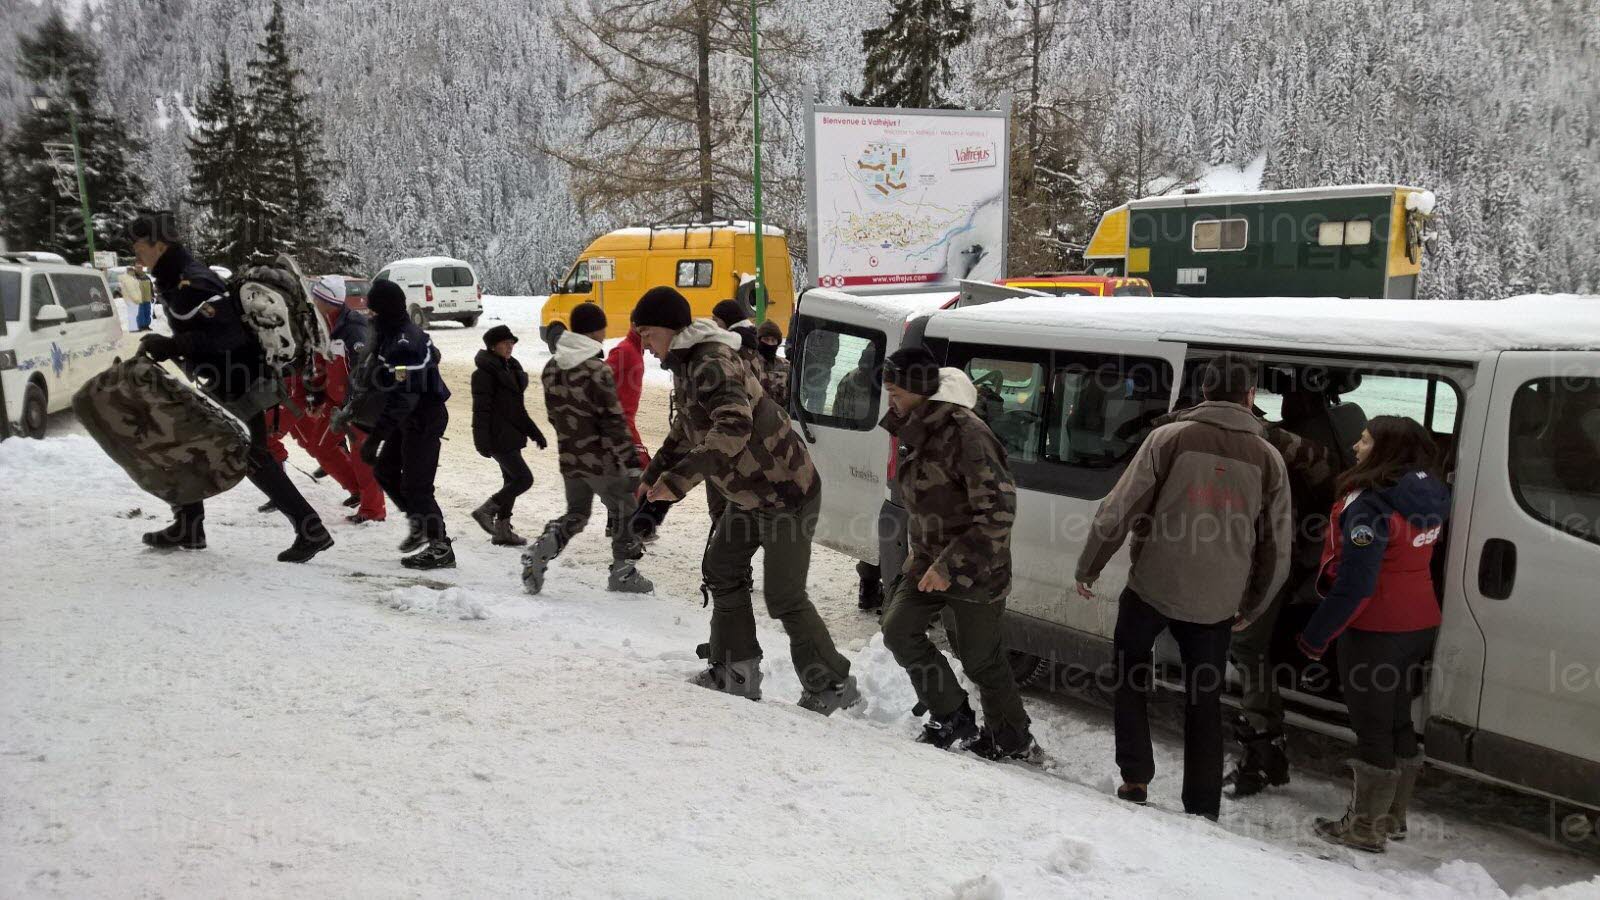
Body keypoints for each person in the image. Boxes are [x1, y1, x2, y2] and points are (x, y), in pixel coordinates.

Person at [1073, 353, 1292, 820]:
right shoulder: (1269, 458)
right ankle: (1202, 805)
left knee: (1131, 676)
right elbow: (1278, 542)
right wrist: (1253, 604)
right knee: (1204, 701)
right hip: (1218, 602)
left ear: (1204, 392)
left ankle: (1135, 777)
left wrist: (1090, 565)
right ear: (1251, 397)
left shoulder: (1167, 438)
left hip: (1152, 585)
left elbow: (1120, 509)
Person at [633, 286, 857, 715]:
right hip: (750, 494)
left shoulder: (711, 362)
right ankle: (737, 671)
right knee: (721, 568)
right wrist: (652, 475)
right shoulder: (687, 362)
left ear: (669, 327)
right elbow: (687, 430)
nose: (644, 344)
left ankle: (833, 684)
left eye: (646, 332)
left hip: (786, 492)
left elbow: (732, 429)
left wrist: (675, 483)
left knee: (785, 597)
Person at [127, 211, 334, 563]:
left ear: (158, 246)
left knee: (253, 457)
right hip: (225, 378)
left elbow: (227, 335)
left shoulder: (192, 280)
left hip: (241, 380)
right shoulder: (174, 276)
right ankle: (189, 524)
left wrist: (173, 346)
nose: (136, 257)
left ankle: (310, 529)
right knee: (187, 446)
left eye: (139, 249)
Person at [1298, 416, 1448, 853]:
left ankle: (1363, 828)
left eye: (1365, 440)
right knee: (1398, 717)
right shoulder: (1431, 493)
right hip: (1420, 622)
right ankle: (1392, 818)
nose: (1357, 447)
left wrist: (1315, 636)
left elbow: (1356, 583)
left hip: (1376, 628)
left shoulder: (1368, 505)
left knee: (1372, 729)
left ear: (1384, 450)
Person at [878, 348, 1035, 759]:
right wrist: (925, 557)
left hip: (976, 568)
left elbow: (998, 514)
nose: (889, 399)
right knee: (898, 629)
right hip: (928, 561)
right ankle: (953, 716)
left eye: (894, 391)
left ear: (917, 390)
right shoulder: (916, 427)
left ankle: (1013, 740)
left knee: (982, 661)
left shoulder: (969, 435)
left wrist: (950, 565)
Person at [1225, 392, 1338, 797]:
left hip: (1257, 566)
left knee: (1248, 652)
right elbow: (1324, 465)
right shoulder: (1274, 439)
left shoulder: (1260, 438)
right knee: (1249, 653)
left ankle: (1261, 753)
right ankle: (1263, 750)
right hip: (1269, 560)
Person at [522, 302, 653, 594]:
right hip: (602, 459)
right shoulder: (597, 369)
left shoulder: (552, 367)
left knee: (577, 513)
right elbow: (613, 420)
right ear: (596, 331)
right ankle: (623, 573)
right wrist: (631, 459)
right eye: (603, 330)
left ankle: (543, 548)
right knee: (626, 509)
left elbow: (554, 416)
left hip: (570, 457)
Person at [263, 276, 387, 524]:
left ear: (327, 300)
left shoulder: (353, 329)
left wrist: (352, 404)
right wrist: (316, 392)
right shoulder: (321, 324)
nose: (312, 301)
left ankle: (374, 511)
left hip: (359, 404)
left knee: (362, 455)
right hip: (335, 400)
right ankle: (356, 490)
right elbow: (319, 362)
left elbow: (363, 371)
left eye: (316, 298)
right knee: (320, 446)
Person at [362, 278, 454, 569]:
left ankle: (440, 546)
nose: (369, 316)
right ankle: (420, 524)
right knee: (386, 471)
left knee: (417, 486)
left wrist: (376, 437)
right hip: (408, 418)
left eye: (373, 311)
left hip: (423, 417)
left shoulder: (404, 341)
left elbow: (405, 397)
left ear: (384, 310)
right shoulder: (389, 334)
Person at [470, 324, 549, 546]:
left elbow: (517, 411)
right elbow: (481, 411)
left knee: (511, 481)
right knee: (524, 479)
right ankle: (486, 510)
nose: (510, 347)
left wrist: (534, 433)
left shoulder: (509, 370)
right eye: (505, 343)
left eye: (512, 343)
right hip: (497, 437)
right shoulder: (484, 374)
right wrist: (481, 441)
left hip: (510, 436)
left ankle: (502, 531)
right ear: (493, 346)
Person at [833, 344, 886, 611]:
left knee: (872, 529)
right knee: (884, 529)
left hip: (861, 465)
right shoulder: (888, 385)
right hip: (878, 464)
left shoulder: (850, 380)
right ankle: (876, 589)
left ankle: (868, 588)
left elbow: (838, 420)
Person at [712, 298, 764, 379]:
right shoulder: (748, 339)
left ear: (727, 320)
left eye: (716, 320)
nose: (714, 324)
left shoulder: (735, 345)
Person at [756, 319, 790, 409]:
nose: (769, 344)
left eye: (773, 340)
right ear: (759, 340)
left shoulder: (786, 366)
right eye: (766, 339)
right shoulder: (751, 363)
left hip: (779, 417)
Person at [119, 264, 154, 332]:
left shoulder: (146, 277)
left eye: (140, 268)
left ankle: (146, 325)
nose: (139, 269)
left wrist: (152, 295)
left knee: (147, 311)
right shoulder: (133, 277)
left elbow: (151, 287)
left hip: (147, 297)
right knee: (140, 313)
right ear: (135, 269)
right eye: (137, 268)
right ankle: (140, 325)